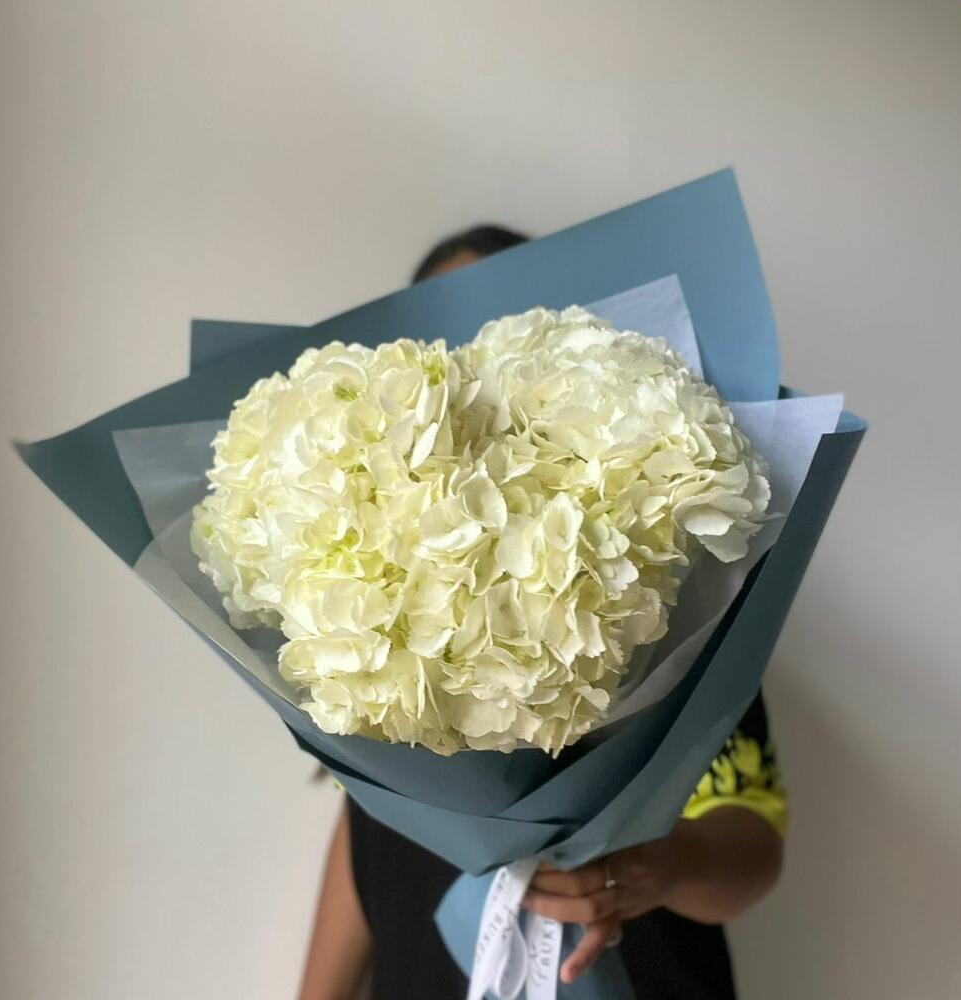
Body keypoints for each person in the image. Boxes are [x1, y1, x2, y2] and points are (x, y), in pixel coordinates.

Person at [298, 226, 787, 1000]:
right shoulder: (373, 583)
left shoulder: (662, 581)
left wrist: (657, 867)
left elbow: (754, 841)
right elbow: (367, 819)